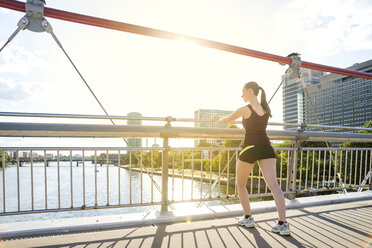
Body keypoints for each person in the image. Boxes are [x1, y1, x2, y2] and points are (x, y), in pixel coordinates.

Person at [212, 81, 290, 236]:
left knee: (240, 184)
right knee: (274, 185)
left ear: (249, 91)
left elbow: (226, 120)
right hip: (267, 148)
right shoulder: (265, 109)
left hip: (249, 148)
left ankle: (248, 218)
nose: (241, 95)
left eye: (243, 92)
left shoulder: (245, 109)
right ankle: (283, 224)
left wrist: (217, 119)